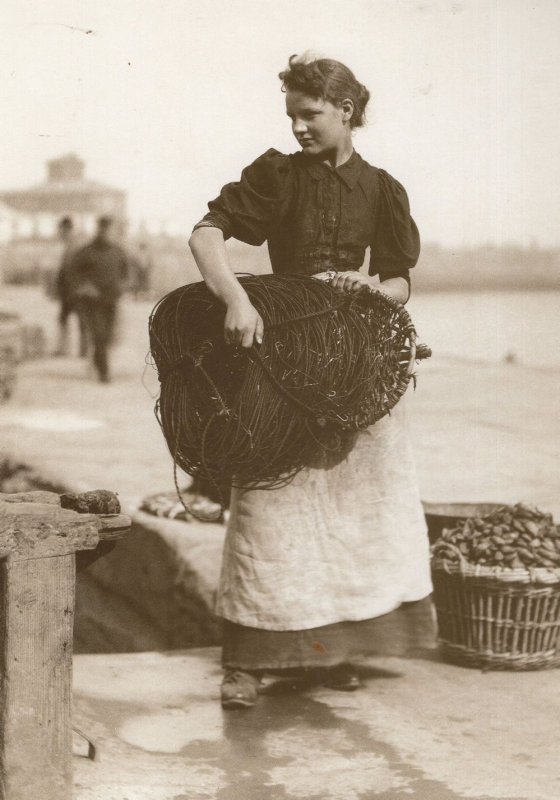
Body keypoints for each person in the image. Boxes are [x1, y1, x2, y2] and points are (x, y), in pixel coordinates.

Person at [188, 53, 433, 709]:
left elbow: (400, 278)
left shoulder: (382, 188)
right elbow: (206, 236)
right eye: (292, 115)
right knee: (272, 499)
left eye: (310, 114)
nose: (298, 127)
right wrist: (238, 301)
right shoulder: (277, 177)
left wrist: (374, 287)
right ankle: (249, 658)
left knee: (355, 502)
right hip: (286, 352)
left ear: (346, 111)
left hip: (356, 356)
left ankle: (334, 650)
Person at [66, 216, 129, 383]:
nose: (105, 233)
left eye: (108, 230)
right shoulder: (86, 251)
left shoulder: (118, 252)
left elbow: (127, 274)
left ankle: (97, 361)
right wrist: (85, 287)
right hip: (92, 302)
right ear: (98, 230)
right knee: (99, 335)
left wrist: (123, 287)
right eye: (102, 229)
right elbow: (72, 274)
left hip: (111, 300)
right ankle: (104, 372)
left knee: (107, 337)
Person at [53, 217, 88, 357]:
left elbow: (76, 269)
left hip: (74, 289)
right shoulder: (70, 244)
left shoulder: (75, 245)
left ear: (66, 229)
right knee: (65, 318)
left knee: (79, 319)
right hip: (69, 289)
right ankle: (69, 349)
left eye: (61, 230)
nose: (59, 234)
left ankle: (80, 350)